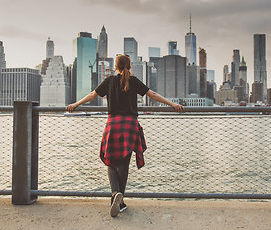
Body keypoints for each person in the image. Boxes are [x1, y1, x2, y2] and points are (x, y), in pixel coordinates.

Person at [66, 54, 184, 217]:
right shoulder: (134, 81)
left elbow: (93, 95)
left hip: (113, 125)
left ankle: (115, 195)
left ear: (116, 67)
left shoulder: (109, 81)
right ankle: (119, 200)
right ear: (129, 67)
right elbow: (153, 95)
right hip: (130, 126)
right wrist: (173, 104)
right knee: (124, 164)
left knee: (110, 160)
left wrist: (76, 104)